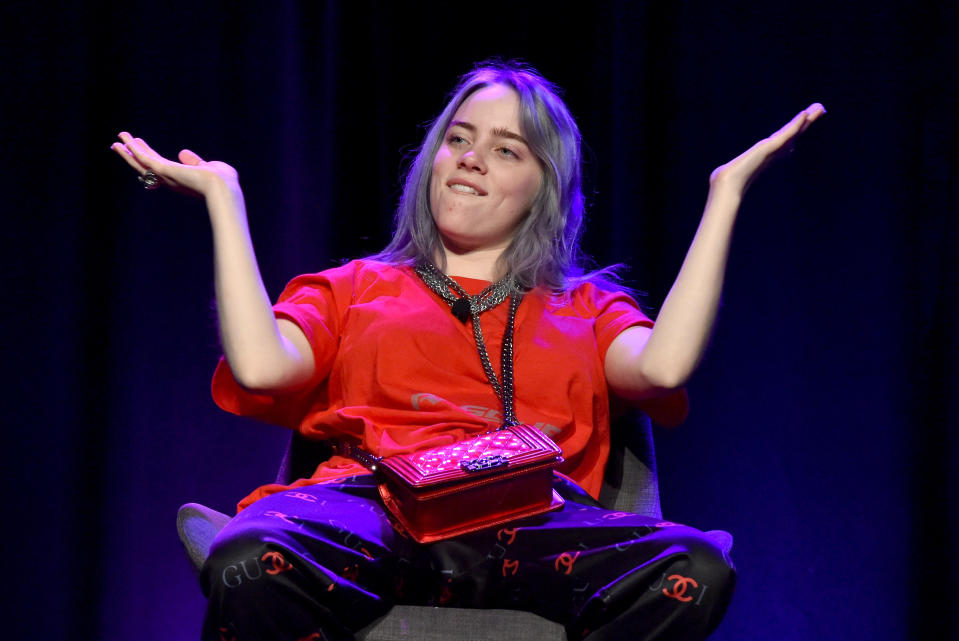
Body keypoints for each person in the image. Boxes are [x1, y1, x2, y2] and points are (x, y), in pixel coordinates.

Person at [112, 61, 823, 641]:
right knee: (248, 561)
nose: (471, 159)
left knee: (696, 568)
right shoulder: (356, 286)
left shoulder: (585, 305)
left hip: (535, 522)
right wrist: (223, 199)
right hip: (373, 512)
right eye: (458, 139)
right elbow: (261, 366)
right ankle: (257, 531)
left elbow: (663, 366)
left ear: (544, 188)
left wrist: (723, 194)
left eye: (506, 149)